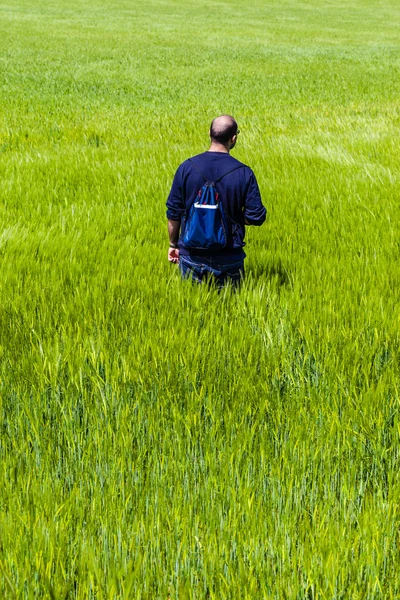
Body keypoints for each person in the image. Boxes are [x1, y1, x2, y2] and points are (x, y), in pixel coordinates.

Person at [166, 115, 266, 288]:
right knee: (231, 311)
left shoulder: (186, 168)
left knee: (190, 310)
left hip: (191, 256)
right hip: (229, 257)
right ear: (233, 138)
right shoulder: (244, 173)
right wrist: (232, 216)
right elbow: (256, 216)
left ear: (209, 134)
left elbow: (173, 213)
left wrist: (173, 244)